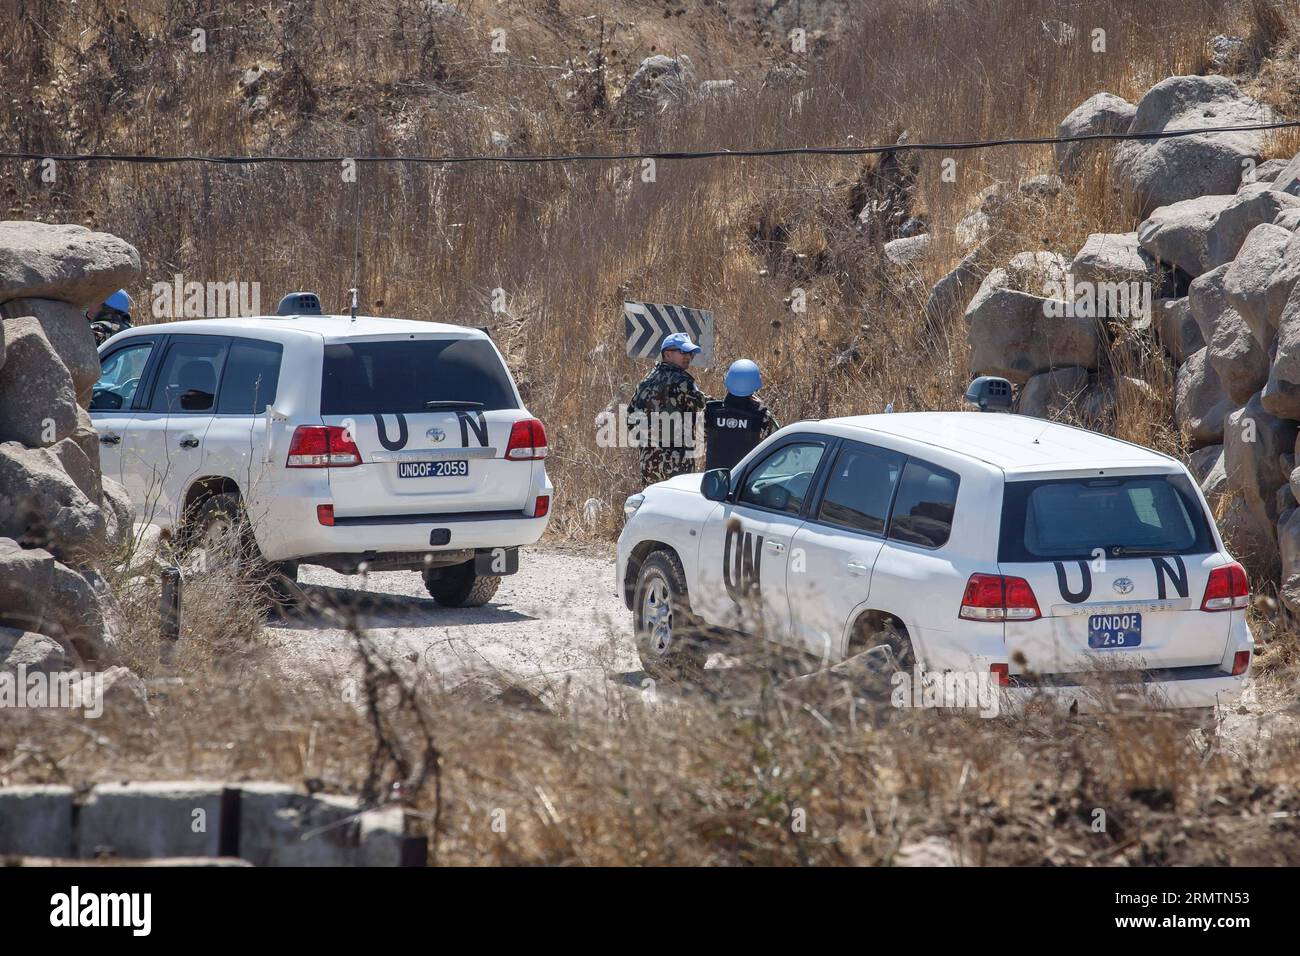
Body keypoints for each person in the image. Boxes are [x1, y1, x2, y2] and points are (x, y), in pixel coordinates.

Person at [628, 332, 709, 486]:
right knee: (678, 506)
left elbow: (631, 420)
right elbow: (705, 406)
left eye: (690, 353)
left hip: (649, 462)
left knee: (652, 505)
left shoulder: (645, 382)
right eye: (683, 352)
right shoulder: (682, 381)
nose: (689, 356)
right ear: (668, 354)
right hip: (677, 461)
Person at [703, 359, 779, 471]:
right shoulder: (761, 415)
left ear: (728, 381)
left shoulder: (711, 410)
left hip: (714, 480)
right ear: (756, 385)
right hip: (743, 480)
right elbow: (776, 441)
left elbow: (698, 438)